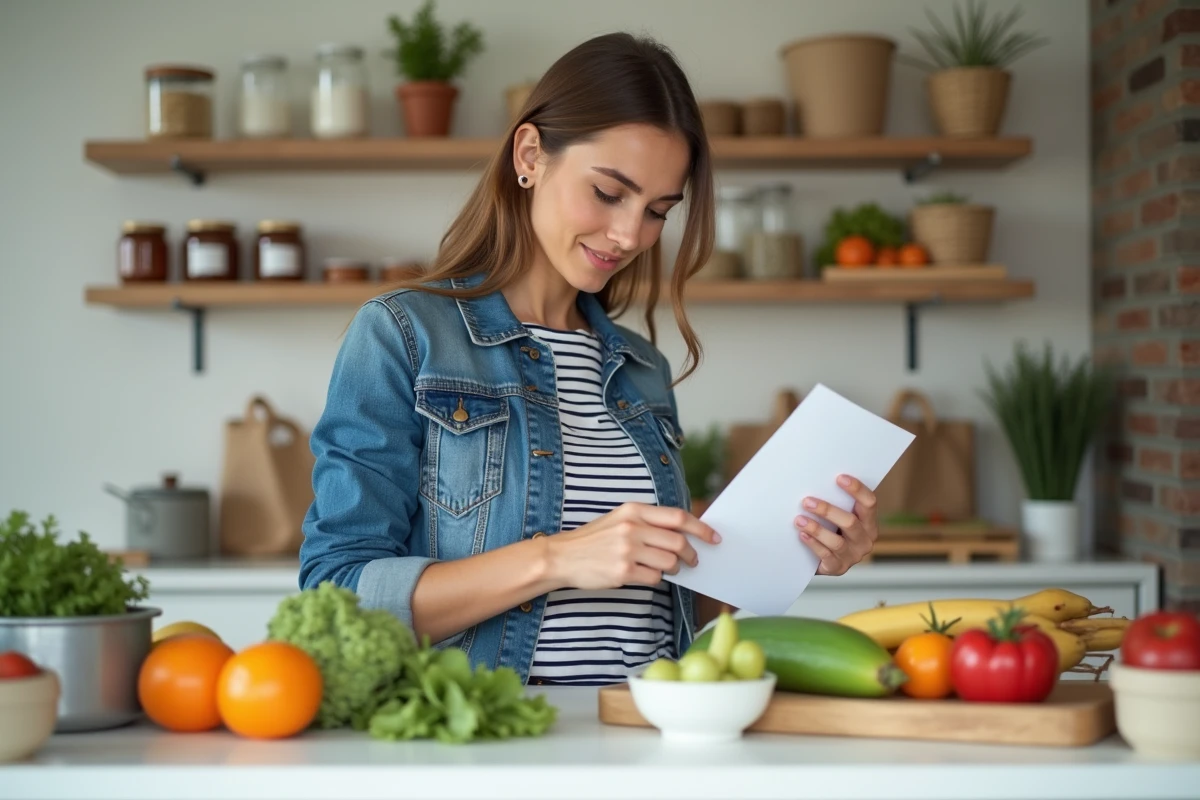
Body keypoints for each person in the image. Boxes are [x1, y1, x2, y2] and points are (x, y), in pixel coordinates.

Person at [298, 32, 879, 686]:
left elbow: (660, 611)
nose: (631, 234)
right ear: (530, 156)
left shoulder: (641, 368)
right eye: (608, 193)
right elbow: (334, 597)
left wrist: (796, 553)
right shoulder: (403, 335)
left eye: (658, 210)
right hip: (490, 748)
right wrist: (554, 560)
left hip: (643, 740)